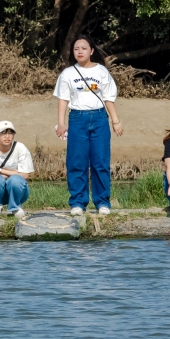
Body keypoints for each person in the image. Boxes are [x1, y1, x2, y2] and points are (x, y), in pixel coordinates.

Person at [54, 36, 123, 215]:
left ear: (91, 51)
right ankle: (78, 202)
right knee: (77, 162)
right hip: (77, 118)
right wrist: (61, 123)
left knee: (100, 162)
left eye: (84, 48)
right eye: (76, 49)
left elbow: (108, 98)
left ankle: (102, 202)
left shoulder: (101, 72)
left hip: (99, 118)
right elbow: (63, 99)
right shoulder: (68, 73)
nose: (80, 51)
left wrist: (115, 121)